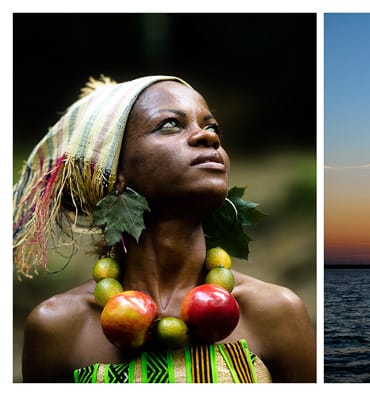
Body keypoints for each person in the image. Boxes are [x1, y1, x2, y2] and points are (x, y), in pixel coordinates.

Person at [16, 76, 316, 382]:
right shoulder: (59, 328)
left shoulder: (275, 312)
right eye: (170, 124)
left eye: (212, 127)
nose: (208, 137)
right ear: (115, 171)